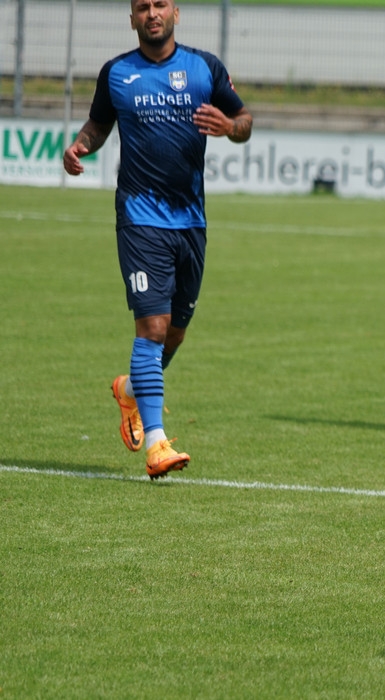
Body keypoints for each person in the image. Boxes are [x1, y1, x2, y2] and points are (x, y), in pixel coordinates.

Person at [63, 0, 252, 479]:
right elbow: (98, 124)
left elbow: (245, 120)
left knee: (175, 333)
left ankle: (129, 390)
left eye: (160, 4)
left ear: (175, 13)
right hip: (139, 218)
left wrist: (230, 127)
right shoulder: (116, 73)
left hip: (191, 220)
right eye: (143, 6)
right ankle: (156, 444)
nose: (152, 13)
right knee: (151, 326)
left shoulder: (205, 68)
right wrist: (81, 144)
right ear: (132, 18)